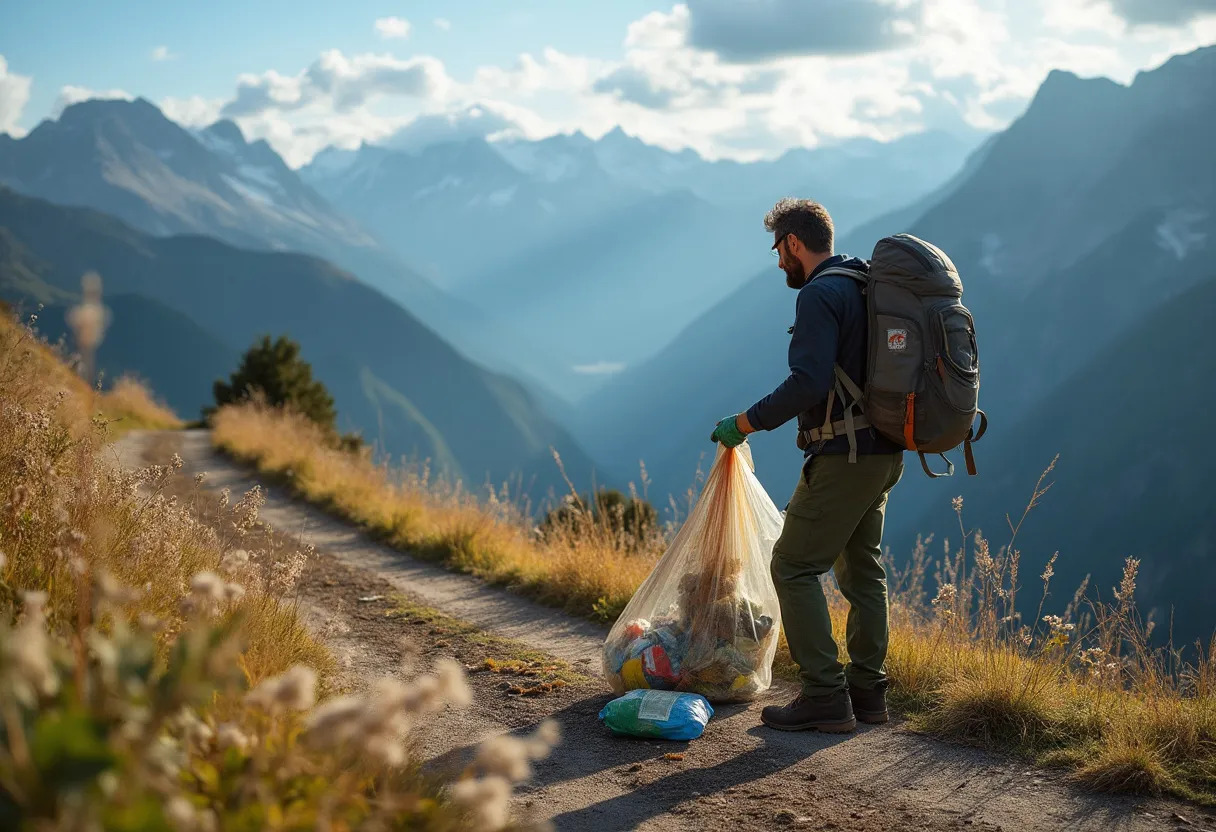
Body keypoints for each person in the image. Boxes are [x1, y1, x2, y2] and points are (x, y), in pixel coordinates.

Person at [709, 198, 905, 733]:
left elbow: (809, 382)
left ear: (794, 243)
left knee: (792, 567)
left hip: (845, 456)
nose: (778, 264)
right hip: (886, 451)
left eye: (778, 250)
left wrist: (744, 423)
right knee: (862, 572)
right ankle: (868, 694)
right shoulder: (866, 285)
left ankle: (824, 695)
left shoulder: (821, 294)